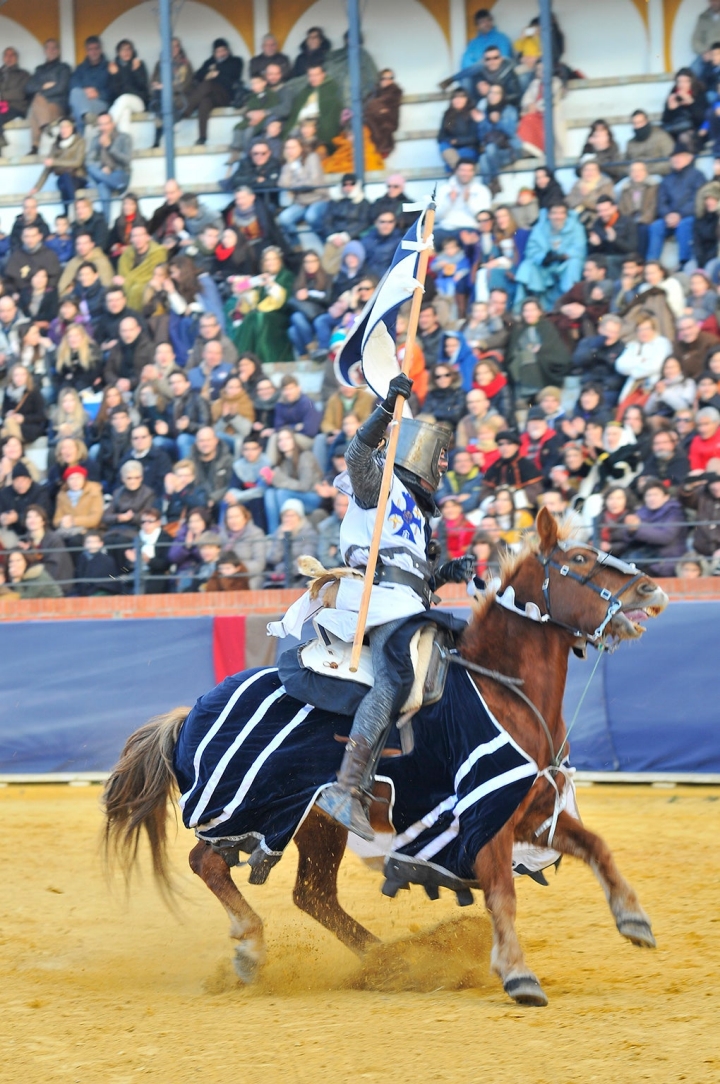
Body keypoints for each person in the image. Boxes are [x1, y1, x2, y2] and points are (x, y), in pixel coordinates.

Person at [270, 375, 472, 839]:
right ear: (418, 456)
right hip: (378, 600)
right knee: (395, 677)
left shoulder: (419, 518)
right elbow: (357, 455)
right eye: (439, 455)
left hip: (405, 601)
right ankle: (347, 788)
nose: (443, 464)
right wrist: (386, 408)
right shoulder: (379, 485)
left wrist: (446, 573)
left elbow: (414, 576)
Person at [228, 246, 294, 364]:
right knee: (249, 318)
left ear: (279, 261)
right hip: (260, 313)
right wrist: (255, 280)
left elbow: (282, 300)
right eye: (267, 260)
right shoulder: (262, 277)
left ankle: (265, 358)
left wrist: (271, 284)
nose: (270, 263)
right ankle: (245, 358)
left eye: (273, 259)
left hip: (280, 315)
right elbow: (239, 288)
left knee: (259, 317)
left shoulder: (287, 276)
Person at [514, 204, 587, 309]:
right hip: (545, 266)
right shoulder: (540, 228)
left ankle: (569, 302)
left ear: (566, 215)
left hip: (565, 265)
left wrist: (562, 256)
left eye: (561, 213)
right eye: (554, 213)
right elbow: (532, 250)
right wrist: (543, 257)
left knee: (574, 264)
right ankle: (524, 306)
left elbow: (580, 250)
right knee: (527, 266)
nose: (558, 217)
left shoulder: (576, 228)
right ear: (548, 215)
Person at [646, 146, 706, 264]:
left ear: (690, 158)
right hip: (669, 218)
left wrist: (680, 214)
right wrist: (667, 215)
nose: (676, 159)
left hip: (689, 216)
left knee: (684, 225)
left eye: (680, 156)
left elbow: (697, 199)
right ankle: (651, 262)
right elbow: (661, 201)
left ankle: (684, 261)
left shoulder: (698, 176)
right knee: (656, 226)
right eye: (674, 157)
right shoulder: (667, 179)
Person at [179, 39, 243, 146]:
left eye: (223, 50)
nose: (221, 53)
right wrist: (208, 74)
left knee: (207, 84)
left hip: (226, 96)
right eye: (218, 51)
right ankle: (202, 137)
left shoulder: (235, 61)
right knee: (205, 101)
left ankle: (186, 110)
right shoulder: (209, 62)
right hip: (212, 96)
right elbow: (197, 76)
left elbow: (233, 75)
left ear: (228, 50)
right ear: (214, 53)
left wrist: (217, 74)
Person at [505, 298, 571, 401]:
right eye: (526, 310)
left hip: (545, 362)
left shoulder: (547, 327)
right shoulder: (518, 329)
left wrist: (541, 349)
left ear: (539, 312)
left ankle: (536, 392)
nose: (529, 313)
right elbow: (511, 353)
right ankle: (528, 394)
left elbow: (554, 347)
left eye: (532, 310)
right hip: (521, 365)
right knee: (525, 356)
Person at [620, 478, 687, 577]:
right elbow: (626, 538)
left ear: (666, 497)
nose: (652, 498)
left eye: (655, 495)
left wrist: (637, 528)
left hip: (666, 560)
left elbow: (665, 537)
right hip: (644, 559)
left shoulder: (675, 513)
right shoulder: (640, 512)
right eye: (648, 495)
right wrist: (630, 531)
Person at [262, 427, 323, 532]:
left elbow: (305, 486)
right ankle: (274, 533)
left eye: (287, 438)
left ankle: (288, 530)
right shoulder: (283, 462)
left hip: (313, 497)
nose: (283, 442)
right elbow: (282, 483)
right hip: (295, 496)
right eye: (280, 440)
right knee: (270, 493)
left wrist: (279, 480)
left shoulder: (305, 456)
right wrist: (270, 479)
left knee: (281, 493)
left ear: (294, 440)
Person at [276, 136, 328, 247]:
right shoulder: (288, 164)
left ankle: (326, 243)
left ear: (301, 148)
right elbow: (283, 184)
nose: (290, 151)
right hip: (301, 203)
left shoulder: (312, 158)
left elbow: (313, 182)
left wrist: (294, 186)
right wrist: (289, 166)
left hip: (319, 199)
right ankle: (297, 246)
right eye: (287, 148)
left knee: (311, 217)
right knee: (283, 218)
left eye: (293, 147)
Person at [29, 117, 86, 214]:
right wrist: (37, 187)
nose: (64, 130)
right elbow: (47, 169)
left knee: (66, 181)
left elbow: (77, 162)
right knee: (64, 180)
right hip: (63, 178)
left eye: (66, 127)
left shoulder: (79, 142)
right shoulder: (55, 145)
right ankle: (73, 210)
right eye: (61, 127)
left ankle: (69, 212)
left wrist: (55, 162)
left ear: (72, 128)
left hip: (77, 177)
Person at [25, 39, 71, 154]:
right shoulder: (39, 69)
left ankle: (35, 146)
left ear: (58, 51)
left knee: (36, 101)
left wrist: (41, 93)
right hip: (41, 107)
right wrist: (43, 86)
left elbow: (61, 88)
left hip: (57, 105)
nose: (51, 50)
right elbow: (28, 88)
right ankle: (45, 127)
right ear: (45, 51)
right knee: (36, 103)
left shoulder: (63, 68)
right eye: (48, 48)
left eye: (54, 48)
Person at [84, 112, 132, 218]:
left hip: (120, 173)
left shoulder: (124, 138)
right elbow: (89, 161)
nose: (103, 127)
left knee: (100, 182)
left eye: (106, 124)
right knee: (100, 182)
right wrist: (102, 168)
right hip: (105, 174)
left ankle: (113, 183)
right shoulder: (96, 140)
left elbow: (127, 160)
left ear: (112, 124)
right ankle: (119, 188)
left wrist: (110, 147)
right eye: (101, 124)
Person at [149, 38, 193, 149]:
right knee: (159, 97)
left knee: (160, 101)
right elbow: (153, 82)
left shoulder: (185, 64)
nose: (174, 49)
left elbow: (184, 85)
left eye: (177, 46)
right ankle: (161, 132)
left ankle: (158, 137)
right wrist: (157, 85)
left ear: (180, 48)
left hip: (179, 98)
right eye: (171, 46)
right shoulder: (160, 64)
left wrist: (166, 87)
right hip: (161, 97)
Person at [435, 161, 491, 235]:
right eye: (463, 170)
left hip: (471, 228)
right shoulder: (444, 189)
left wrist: (468, 201)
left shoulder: (482, 190)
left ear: (474, 172)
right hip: (446, 228)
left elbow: (485, 218)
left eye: (469, 171)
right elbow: (436, 217)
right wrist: (449, 202)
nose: (465, 174)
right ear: (456, 171)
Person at [4, 225, 61, 295]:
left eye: (33, 236)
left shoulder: (50, 255)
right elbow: (9, 280)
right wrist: (13, 293)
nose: (30, 240)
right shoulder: (16, 256)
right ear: (22, 238)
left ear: (40, 236)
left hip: (43, 296)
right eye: (26, 236)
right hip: (19, 295)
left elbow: (54, 279)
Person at [108, 39, 148, 135]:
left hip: (139, 103)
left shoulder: (138, 64)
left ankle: (107, 128)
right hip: (121, 104)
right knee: (125, 113)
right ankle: (125, 144)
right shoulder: (114, 67)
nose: (126, 52)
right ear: (118, 53)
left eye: (129, 49)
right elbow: (113, 92)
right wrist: (115, 75)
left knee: (124, 99)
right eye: (123, 50)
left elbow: (143, 86)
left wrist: (136, 71)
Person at [68, 36, 110, 130]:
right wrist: (85, 91)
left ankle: (82, 141)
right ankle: (86, 115)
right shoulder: (80, 68)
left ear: (100, 49)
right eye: (90, 49)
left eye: (96, 48)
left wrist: (98, 94)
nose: (93, 52)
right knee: (75, 93)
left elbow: (114, 90)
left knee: (76, 111)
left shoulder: (109, 67)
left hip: (100, 103)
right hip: (84, 101)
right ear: (86, 51)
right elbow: (73, 84)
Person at [437, 87, 479, 173]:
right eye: (455, 97)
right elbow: (441, 136)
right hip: (451, 149)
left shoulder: (472, 114)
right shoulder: (448, 116)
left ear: (466, 99)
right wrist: (450, 141)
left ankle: (457, 173)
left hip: (468, 148)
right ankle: (461, 173)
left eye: (461, 97)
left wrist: (458, 141)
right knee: (443, 146)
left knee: (450, 164)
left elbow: (475, 137)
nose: (458, 100)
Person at [363, 68, 402, 159]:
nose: (388, 81)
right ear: (380, 79)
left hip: (388, 122)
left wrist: (379, 109)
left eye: (391, 78)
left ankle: (382, 149)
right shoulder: (375, 92)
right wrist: (380, 109)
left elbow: (377, 105)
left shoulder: (394, 91)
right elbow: (367, 105)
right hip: (376, 128)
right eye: (384, 78)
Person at [661, 69, 705, 145]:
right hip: (676, 130)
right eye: (679, 81)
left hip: (696, 131)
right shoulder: (673, 94)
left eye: (685, 81)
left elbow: (702, 119)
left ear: (692, 82)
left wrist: (691, 103)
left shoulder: (699, 93)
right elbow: (665, 121)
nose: (682, 84)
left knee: (684, 137)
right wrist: (671, 109)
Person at [624, 110, 674, 176]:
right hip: (635, 178)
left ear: (647, 121)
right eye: (634, 123)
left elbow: (670, 160)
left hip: (658, 175)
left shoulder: (661, 137)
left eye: (640, 122)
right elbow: (625, 164)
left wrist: (646, 171)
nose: (638, 126)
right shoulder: (630, 143)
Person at [0, 47, 29, 151]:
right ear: (3, 58)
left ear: (16, 58)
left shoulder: (23, 74)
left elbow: (20, 93)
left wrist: (2, 96)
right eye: (6, 55)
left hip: (16, 108)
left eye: (12, 55)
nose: (9, 58)